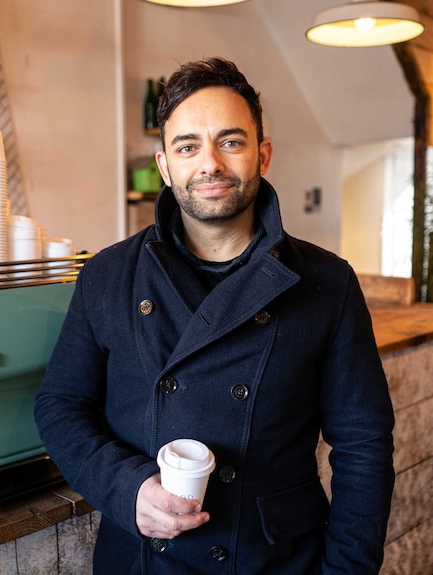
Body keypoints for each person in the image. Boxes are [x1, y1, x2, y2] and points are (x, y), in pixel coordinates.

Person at [34, 56, 395, 574]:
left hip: (274, 561)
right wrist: (126, 488)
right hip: (142, 560)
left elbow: (364, 444)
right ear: (164, 166)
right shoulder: (108, 275)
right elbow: (60, 405)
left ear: (262, 154)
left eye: (231, 141)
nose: (210, 164)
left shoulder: (327, 283)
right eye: (188, 146)